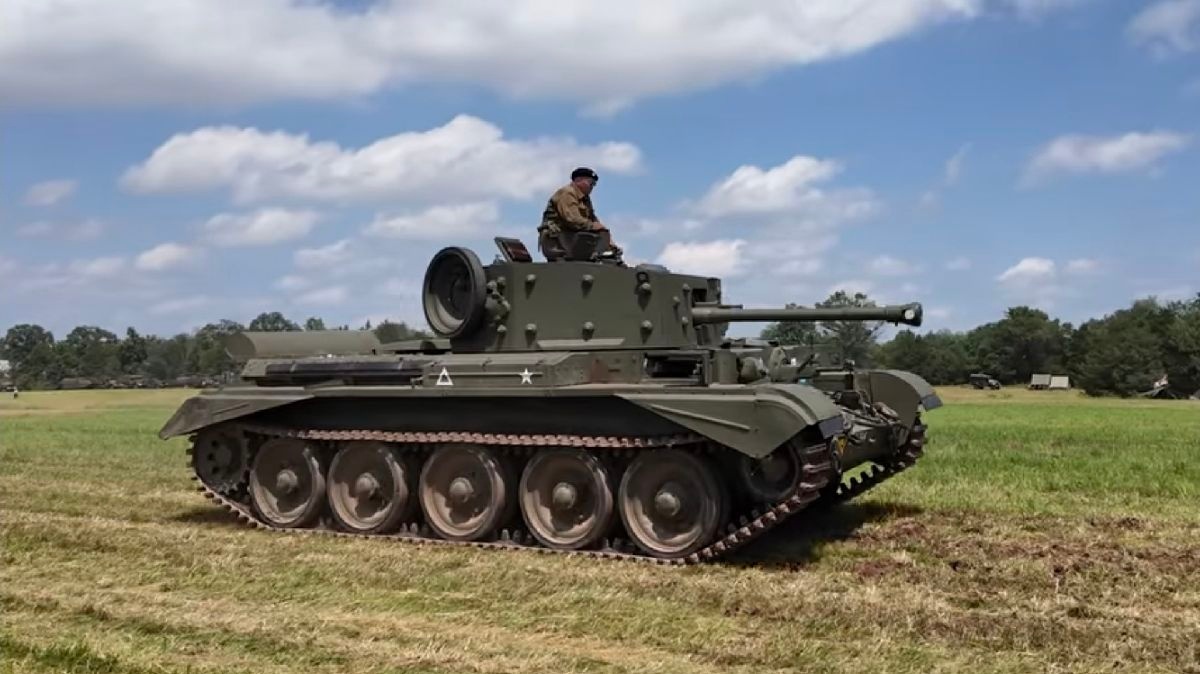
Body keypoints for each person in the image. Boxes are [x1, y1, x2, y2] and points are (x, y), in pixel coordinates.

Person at [537, 167, 622, 261]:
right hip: (556, 240)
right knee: (592, 233)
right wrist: (594, 227)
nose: (592, 186)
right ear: (578, 180)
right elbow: (572, 219)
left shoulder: (585, 198)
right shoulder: (567, 193)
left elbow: (594, 220)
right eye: (590, 183)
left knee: (600, 236)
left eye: (594, 184)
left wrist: (610, 243)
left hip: (570, 238)